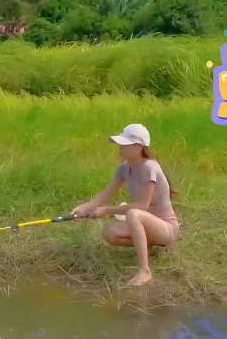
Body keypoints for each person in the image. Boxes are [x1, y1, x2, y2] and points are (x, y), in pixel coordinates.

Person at [71, 123, 179, 287]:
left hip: (166, 228)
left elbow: (142, 206)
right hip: (145, 224)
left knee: (133, 213)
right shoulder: (124, 168)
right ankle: (146, 243)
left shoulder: (149, 167)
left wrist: (107, 210)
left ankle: (145, 271)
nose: (119, 148)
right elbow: (106, 193)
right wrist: (83, 208)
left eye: (124, 145)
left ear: (138, 146)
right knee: (110, 232)